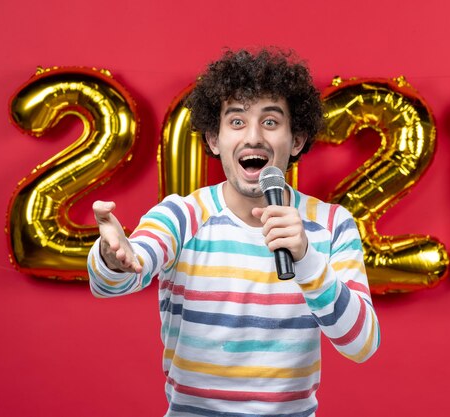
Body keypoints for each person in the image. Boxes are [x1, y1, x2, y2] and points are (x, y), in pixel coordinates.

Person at [88, 48, 380, 417]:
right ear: (214, 139)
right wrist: (113, 259)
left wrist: (307, 260)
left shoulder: (332, 225)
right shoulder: (183, 215)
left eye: (271, 122)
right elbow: (115, 278)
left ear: (297, 140)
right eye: (237, 121)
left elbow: (363, 344)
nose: (253, 137)